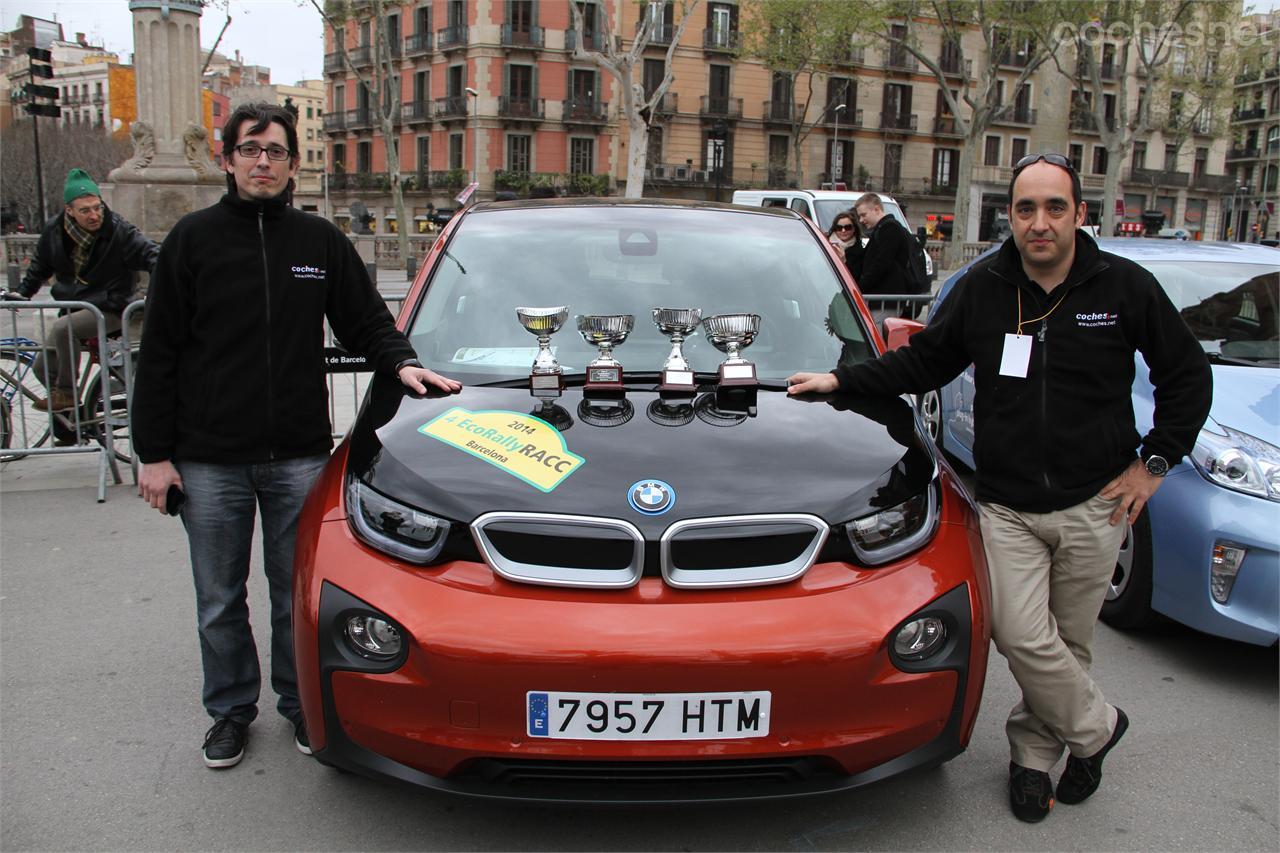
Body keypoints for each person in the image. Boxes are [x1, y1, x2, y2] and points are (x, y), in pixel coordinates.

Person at [787, 153, 1212, 823]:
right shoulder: (985, 287)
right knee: (1018, 632)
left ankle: (1033, 758)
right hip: (1010, 505)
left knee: (1068, 643)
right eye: (1025, 208)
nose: (1039, 222)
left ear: (1078, 213)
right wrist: (843, 379)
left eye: (1054, 207)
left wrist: (1153, 464)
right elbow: (927, 359)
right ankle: (1097, 727)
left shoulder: (1123, 287)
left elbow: (1186, 376)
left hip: (1096, 503)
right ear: (1009, 215)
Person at [131, 102, 462, 771]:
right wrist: (154, 454)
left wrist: (403, 362)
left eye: (276, 151)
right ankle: (229, 711)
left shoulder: (319, 243)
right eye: (251, 149)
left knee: (296, 592)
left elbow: (366, 322)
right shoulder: (191, 242)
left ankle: (296, 702)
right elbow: (158, 351)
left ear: (291, 164)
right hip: (208, 458)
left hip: (298, 454)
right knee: (219, 595)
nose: (263, 161)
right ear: (227, 159)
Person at [6, 168, 158, 413]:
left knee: (64, 328)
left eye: (97, 207)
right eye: (85, 210)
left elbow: (154, 256)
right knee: (41, 367)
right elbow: (39, 266)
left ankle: (68, 394)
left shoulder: (118, 230)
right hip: (75, 306)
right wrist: (23, 293)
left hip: (111, 305)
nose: (94, 215)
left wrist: (158, 290)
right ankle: (70, 423)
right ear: (69, 211)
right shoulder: (55, 231)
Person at [852, 192, 915, 296]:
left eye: (863, 215)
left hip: (885, 297)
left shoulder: (890, 228)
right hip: (882, 296)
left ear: (876, 209)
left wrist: (859, 288)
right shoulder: (882, 228)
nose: (861, 220)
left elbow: (882, 263)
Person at [827, 209, 864, 281]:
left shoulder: (859, 251)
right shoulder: (825, 243)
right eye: (839, 228)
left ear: (854, 229)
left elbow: (855, 277)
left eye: (848, 227)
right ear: (835, 229)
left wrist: (844, 261)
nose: (843, 231)